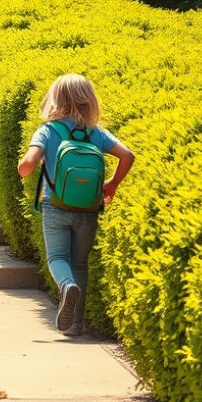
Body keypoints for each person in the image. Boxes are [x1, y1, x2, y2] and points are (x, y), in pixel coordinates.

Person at [17, 74, 134, 336]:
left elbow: (26, 167)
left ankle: (66, 285)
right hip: (88, 209)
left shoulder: (47, 130)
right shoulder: (97, 132)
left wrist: (25, 167)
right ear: (89, 100)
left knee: (58, 258)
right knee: (80, 263)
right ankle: (75, 324)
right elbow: (128, 155)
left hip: (55, 205)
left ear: (54, 100)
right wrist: (112, 184)